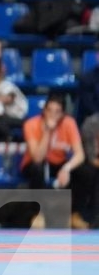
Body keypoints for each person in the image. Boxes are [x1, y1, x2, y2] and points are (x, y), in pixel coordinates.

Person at [21, 95, 93, 229]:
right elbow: (37, 157)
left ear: (63, 113)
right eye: (49, 110)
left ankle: (73, 214)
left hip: (59, 162)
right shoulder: (31, 124)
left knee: (86, 171)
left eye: (57, 111)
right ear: (44, 110)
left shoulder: (69, 123)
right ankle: (38, 214)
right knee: (38, 169)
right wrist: (47, 131)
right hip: (34, 163)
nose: (52, 114)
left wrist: (66, 168)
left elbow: (80, 154)